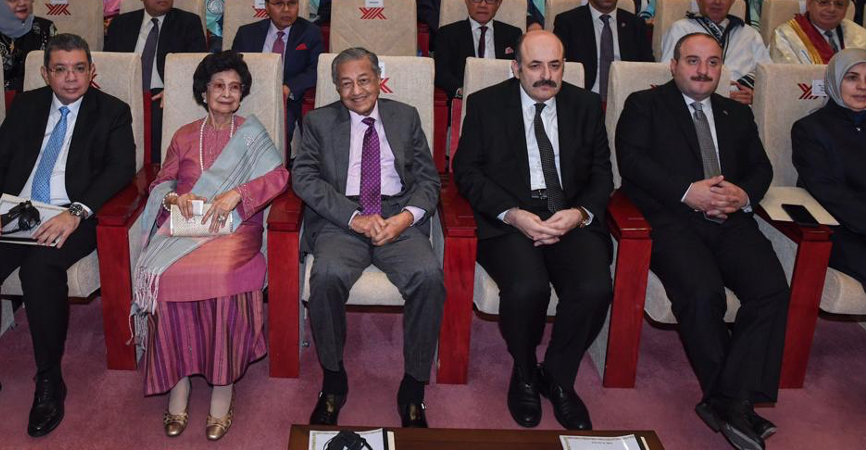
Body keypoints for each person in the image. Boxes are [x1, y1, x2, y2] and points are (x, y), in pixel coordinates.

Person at [0, 33, 135, 438]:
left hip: (72, 215)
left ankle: (50, 378)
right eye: (61, 69)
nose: (71, 78)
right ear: (46, 73)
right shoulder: (27, 106)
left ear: (92, 71)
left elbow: (120, 169)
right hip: (17, 210)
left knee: (40, 269)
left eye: (79, 68)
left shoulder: (112, 111)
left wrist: (76, 213)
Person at [617, 31, 789, 449]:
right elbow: (633, 161)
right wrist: (686, 191)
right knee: (701, 293)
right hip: (673, 221)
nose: (703, 71)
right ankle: (735, 400)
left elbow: (760, 167)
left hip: (730, 221)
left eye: (712, 63)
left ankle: (727, 399)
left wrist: (743, 194)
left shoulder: (736, 113)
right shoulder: (645, 105)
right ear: (673, 65)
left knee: (771, 291)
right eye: (692, 61)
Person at [453, 29, 613, 430]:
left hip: (568, 214)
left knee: (594, 287)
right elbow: (466, 172)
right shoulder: (486, 104)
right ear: (516, 67)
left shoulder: (586, 105)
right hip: (510, 218)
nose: (546, 75)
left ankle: (558, 375)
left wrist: (579, 213)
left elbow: (601, 174)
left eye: (555, 65)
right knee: (528, 287)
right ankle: (524, 368)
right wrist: (512, 213)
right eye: (535, 65)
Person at [130, 51, 287, 441]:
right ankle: (178, 380)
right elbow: (162, 182)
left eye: (235, 87)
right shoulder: (184, 134)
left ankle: (222, 385)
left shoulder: (252, 133)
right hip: (184, 228)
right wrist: (172, 200)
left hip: (236, 228)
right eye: (219, 86)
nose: (227, 93)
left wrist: (239, 193)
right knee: (166, 276)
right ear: (204, 91)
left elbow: (281, 176)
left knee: (220, 274)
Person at [292, 47, 443, 428]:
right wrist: (354, 218)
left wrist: (407, 217)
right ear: (335, 87)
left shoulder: (405, 116)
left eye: (363, 80)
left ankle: (413, 385)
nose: (356, 90)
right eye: (345, 83)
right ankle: (333, 378)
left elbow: (429, 178)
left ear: (379, 78)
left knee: (428, 276)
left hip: (398, 215)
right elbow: (304, 178)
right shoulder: (317, 122)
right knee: (325, 277)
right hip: (342, 218)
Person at [105, 0, 207, 161]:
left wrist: (176, 90)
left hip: (163, 96)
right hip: (126, 95)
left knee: (157, 119)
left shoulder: (188, 23)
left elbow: (197, 67)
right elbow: (110, 66)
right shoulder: (120, 24)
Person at [791, 48, 866, 290]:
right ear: (834, 81)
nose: (862, 86)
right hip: (837, 227)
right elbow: (825, 190)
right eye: (852, 77)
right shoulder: (810, 129)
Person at [232, 0, 323, 146]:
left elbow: (316, 69)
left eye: (292, 3)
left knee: (280, 128)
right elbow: (233, 68)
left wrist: (289, 88)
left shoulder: (311, 33)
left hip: (288, 101)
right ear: (266, 7)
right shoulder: (246, 33)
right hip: (250, 96)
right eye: (279, 4)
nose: (286, 10)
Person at [661, 0, 770, 105]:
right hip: (694, 103)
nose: (717, 2)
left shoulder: (750, 34)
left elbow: (767, 73)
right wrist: (721, 95)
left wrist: (755, 94)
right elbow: (668, 74)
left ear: (732, 0)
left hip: (742, 107)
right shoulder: (680, 29)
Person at [554, 0, 653, 101]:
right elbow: (560, 70)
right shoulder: (568, 22)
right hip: (581, 102)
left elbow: (647, 70)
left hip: (627, 102)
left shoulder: (635, 25)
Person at [433, 0, 521, 97]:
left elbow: (522, 70)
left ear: (499, 3)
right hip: (465, 98)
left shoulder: (513, 34)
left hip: (504, 98)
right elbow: (441, 72)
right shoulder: (448, 33)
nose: (483, 4)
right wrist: (460, 90)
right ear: (466, 0)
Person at [770, 0, 866, 64]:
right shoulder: (785, 35)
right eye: (823, 2)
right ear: (809, 4)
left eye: (839, 4)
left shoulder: (860, 35)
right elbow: (788, 76)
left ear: (846, 9)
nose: (831, 9)